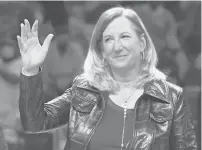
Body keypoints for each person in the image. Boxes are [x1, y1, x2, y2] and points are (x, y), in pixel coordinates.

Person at [17, 6, 197, 150]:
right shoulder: (84, 89)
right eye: (108, 39)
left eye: (125, 36)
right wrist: (31, 70)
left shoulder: (171, 98)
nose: (117, 46)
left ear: (142, 43)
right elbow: (35, 122)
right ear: (101, 50)